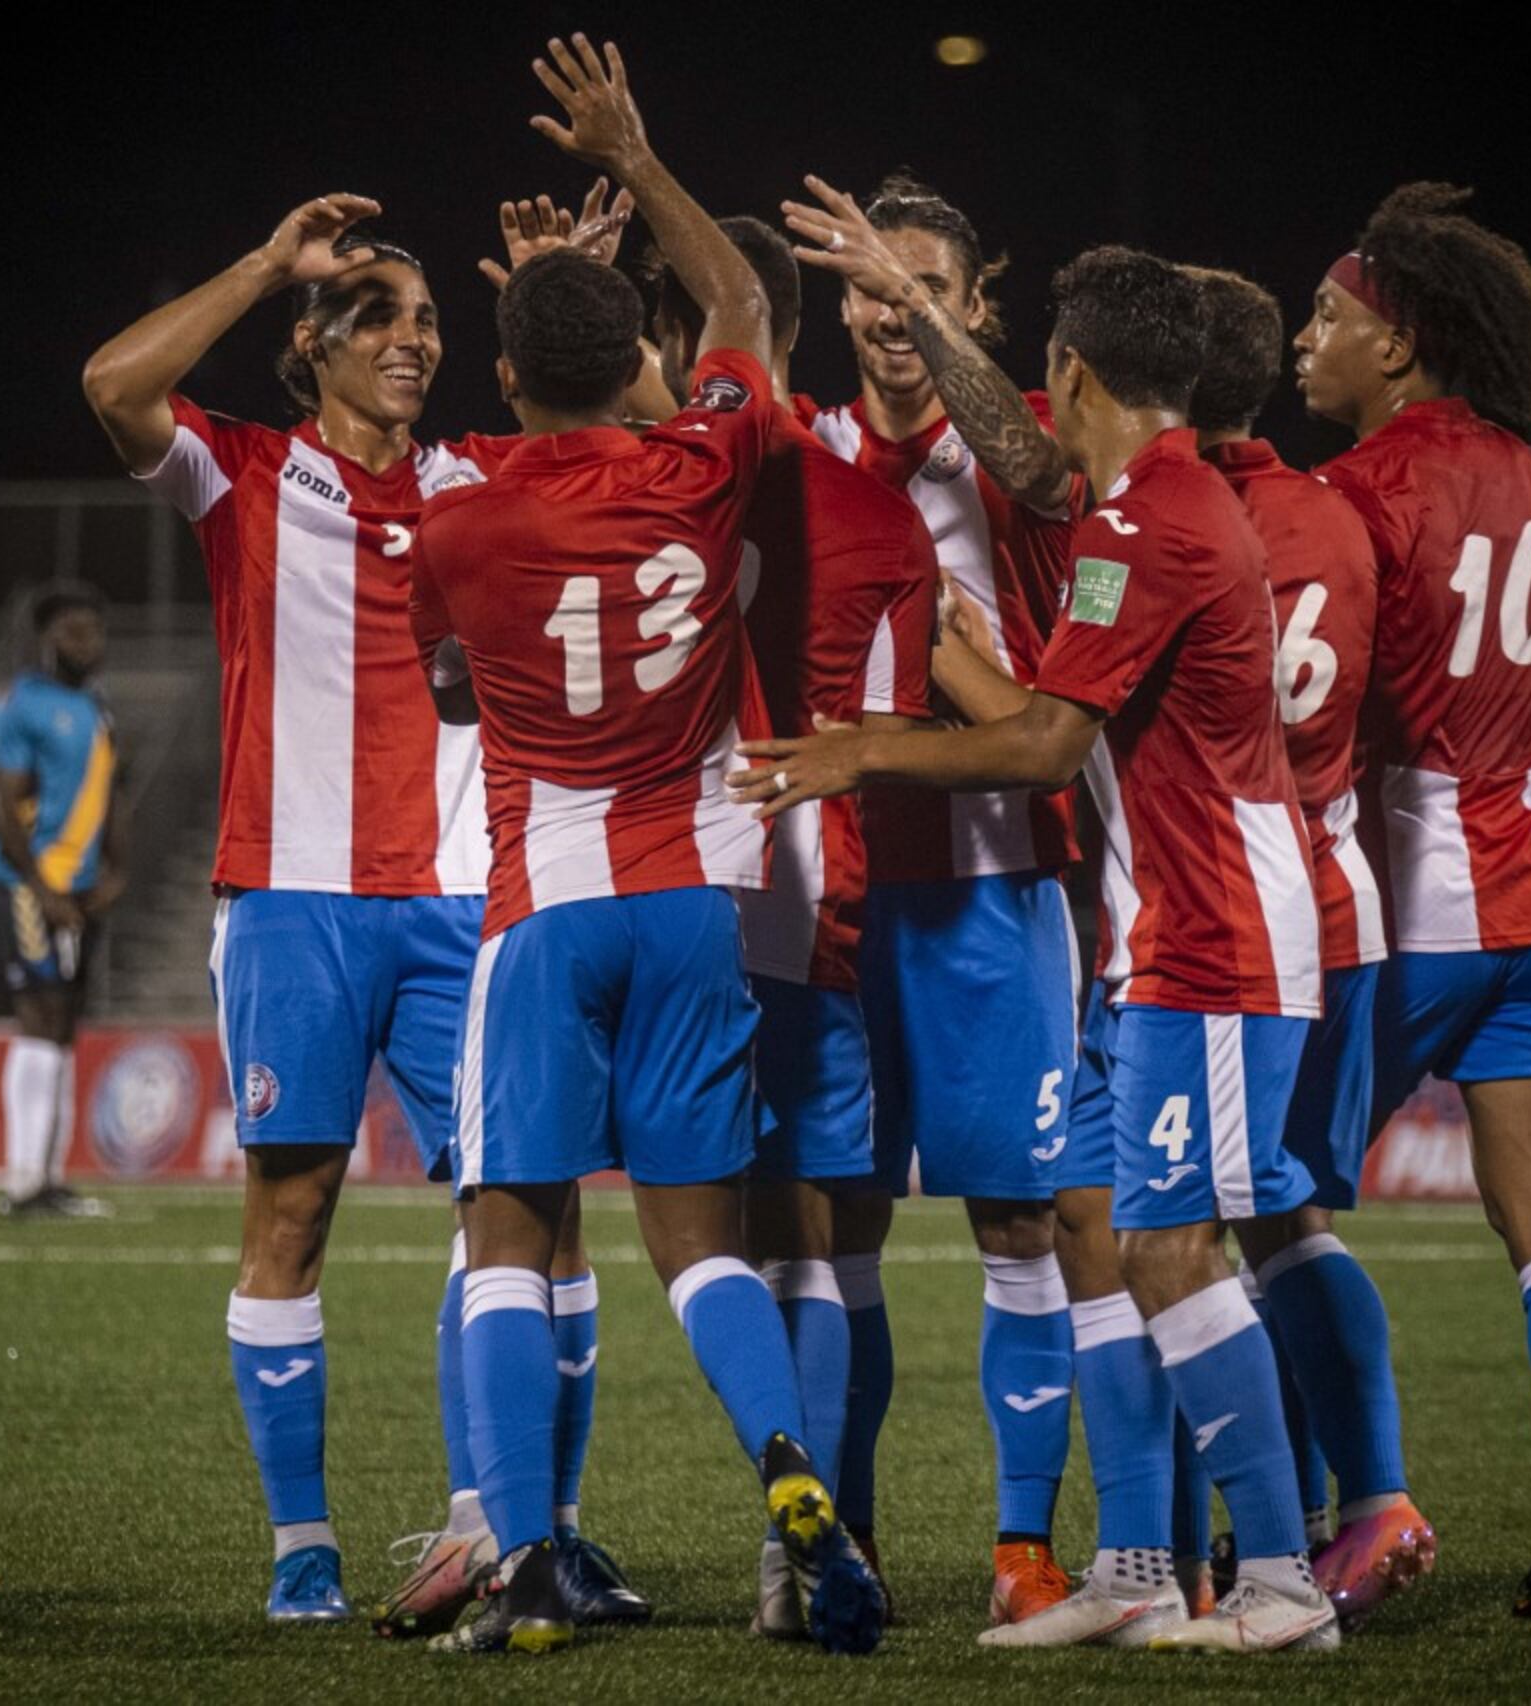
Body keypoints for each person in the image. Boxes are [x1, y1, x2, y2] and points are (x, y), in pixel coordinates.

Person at [736, 245, 1346, 1654]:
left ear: (1068, 373)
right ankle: (1134, 1563)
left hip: (1218, 933)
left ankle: (1278, 1581)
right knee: (1123, 1234)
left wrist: (860, 744)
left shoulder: (1147, 525)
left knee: (1175, 1248)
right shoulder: (1157, 500)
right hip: (1156, 933)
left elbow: (1042, 744)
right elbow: (1041, 697)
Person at [80, 173, 633, 1622]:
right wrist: (268, 260)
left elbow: (623, 438)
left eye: (432, 318)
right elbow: (112, 382)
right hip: (293, 902)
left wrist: (557, 303)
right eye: (377, 314)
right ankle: (303, 1547)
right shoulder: (245, 472)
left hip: (466, 907)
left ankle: (517, 1526)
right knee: (294, 1215)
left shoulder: (474, 479)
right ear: (312, 343)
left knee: (525, 1211)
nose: (413, 338)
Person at [408, 34, 882, 1657]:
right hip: (696, 897)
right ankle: (788, 1477)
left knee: (509, 1234)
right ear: (636, 365)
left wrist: (540, 310)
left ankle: (532, 1557)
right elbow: (743, 320)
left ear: (514, 371)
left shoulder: (461, 510)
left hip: (546, 904)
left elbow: (449, 676)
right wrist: (643, 151)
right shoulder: (701, 466)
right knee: (703, 1245)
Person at [1295, 183, 1531, 1622]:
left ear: (1403, 342)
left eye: (1331, 320)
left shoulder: (1358, 495)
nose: (1307, 342)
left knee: (1266, 1206)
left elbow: (1324, 709)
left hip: (1412, 914)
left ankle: (1347, 1514)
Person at [775, 171, 1084, 1626]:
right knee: (832, 1231)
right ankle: (851, 1541)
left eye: (922, 289)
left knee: (1017, 1222)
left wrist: (915, 307)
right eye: (865, 286)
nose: (888, 312)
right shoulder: (805, 447)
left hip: (990, 892)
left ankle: (1024, 1550)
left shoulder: (1011, 451)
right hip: (830, 898)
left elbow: (1034, 464)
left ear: (972, 304)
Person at [642, 215, 940, 1638]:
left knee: (678, 1241)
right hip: (819, 892)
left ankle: (525, 1528)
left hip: (668, 894)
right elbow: (886, 732)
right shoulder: (879, 514)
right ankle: (811, 1545)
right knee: (827, 1244)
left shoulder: (651, 485)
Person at [1176, 264, 1431, 1626]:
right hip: (1344, 907)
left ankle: (1287, 1532)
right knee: (1286, 1219)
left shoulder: (1183, 520)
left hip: (1233, 915)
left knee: (1199, 1232)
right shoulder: (1334, 513)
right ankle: (1359, 1503)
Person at [0, 581, 125, 1218]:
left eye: (93, 629)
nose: (85, 641)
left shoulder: (98, 709)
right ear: (47, 637)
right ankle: (23, 1183)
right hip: (28, 886)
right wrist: (41, 887)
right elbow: (1, 802)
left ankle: (51, 1175)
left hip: (80, 890)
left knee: (64, 1023)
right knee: (38, 1016)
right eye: (72, 630)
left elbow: (108, 796)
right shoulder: (21, 702)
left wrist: (116, 869)